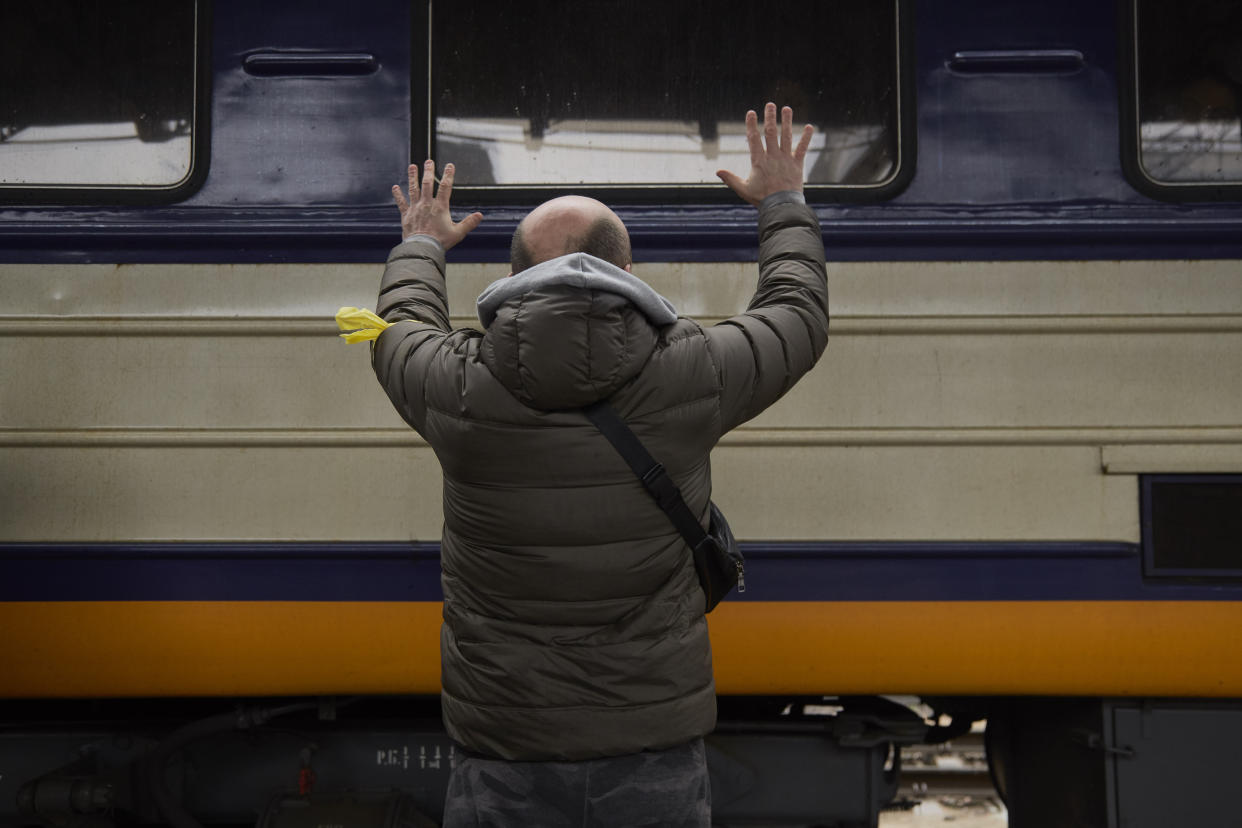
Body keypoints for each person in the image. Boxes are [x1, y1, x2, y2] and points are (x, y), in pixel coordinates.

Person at [372, 103, 828, 827]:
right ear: (624, 269)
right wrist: (783, 202)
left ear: (515, 273)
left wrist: (421, 244)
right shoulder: (690, 374)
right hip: (648, 747)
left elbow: (398, 326)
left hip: (506, 747)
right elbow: (797, 315)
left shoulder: (458, 388)